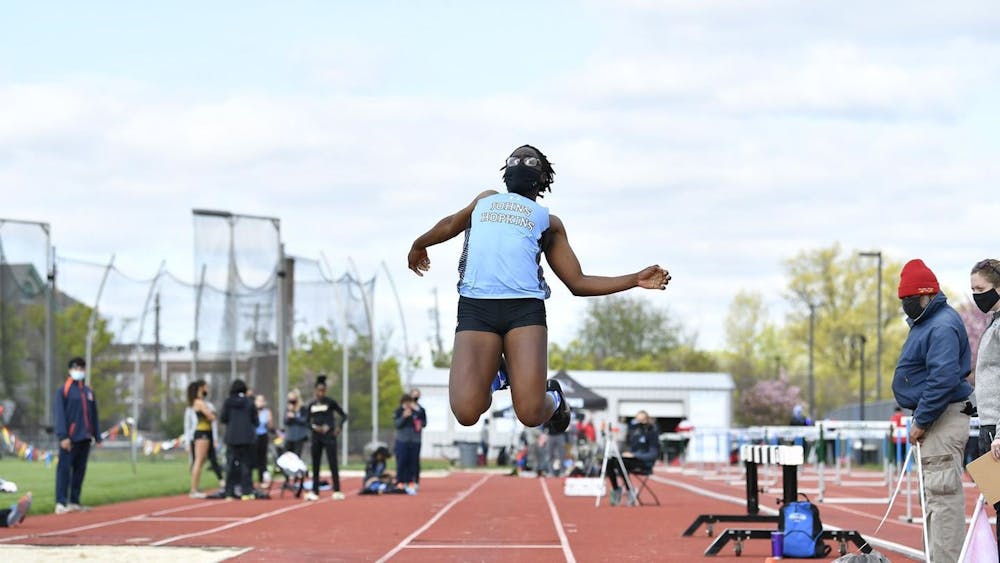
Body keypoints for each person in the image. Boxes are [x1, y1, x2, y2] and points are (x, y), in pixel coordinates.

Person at [407, 144, 670, 436]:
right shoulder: (486, 199)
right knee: (467, 413)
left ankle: (554, 398)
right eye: (514, 159)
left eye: (528, 160)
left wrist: (634, 279)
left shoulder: (548, 222)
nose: (520, 162)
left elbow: (578, 282)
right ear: (505, 172)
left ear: (542, 177)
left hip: (524, 311)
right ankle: (497, 374)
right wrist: (420, 243)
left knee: (531, 414)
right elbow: (450, 224)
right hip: (476, 307)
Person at [892, 259, 974, 563]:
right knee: (934, 500)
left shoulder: (940, 325)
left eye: (911, 299)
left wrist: (922, 421)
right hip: (936, 417)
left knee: (942, 500)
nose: (906, 305)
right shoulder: (928, 322)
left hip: (941, 418)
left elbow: (942, 378)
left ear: (928, 295)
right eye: (903, 300)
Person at [970, 258, 1000, 552]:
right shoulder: (994, 322)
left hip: (997, 432)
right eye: (973, 289)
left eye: (981, 288)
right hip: (988, 424)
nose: (976, 295)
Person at [53, 356, 100, 514]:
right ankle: (60, 501)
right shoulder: (64, 390)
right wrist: (63, 436)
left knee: (80, 470)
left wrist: (97, 435)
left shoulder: (88, 391)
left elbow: (94, 415)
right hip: (70, 438)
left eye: (81, 369)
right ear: (70, 370)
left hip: (85, 437)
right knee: (64, 470)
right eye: (76, 368)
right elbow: (59, 415)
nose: (79, 371)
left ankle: (74, 500)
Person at [304, 375, 348, 501]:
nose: (320, 393)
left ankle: (337, 490)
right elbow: (306, 421)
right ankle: (315, 491)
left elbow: (343, 416)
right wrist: (314, 427)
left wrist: (337, 428)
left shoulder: (330, 402)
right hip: (316, 437)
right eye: (318, 391)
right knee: (315, 464)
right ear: (315, 391)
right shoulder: (311, 405)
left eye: (323, 391)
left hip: (329, 436)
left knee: (333, 463)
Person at [605, 411, 660, 506]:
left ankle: (630, 490)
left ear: (647, 420)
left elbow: (653, 454)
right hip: (631, 460)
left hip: (644, 463)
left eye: (642, 420)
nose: (639, 423)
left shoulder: (652, 433)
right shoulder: (635, 434)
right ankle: (616, 489)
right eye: (637, 420)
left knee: (620, 463)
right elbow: (630, 449)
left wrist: (635, 455)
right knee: (609, 462)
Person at [220, 379, 258, 500]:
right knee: (246, 464)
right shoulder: (249, 402)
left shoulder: (227, 402)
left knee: (230, 465)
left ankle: (229, 492)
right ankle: (246, 492)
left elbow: (223, 418)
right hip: (247, 437)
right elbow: (255, 420)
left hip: (231, 437)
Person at [185, 380, 222, 498]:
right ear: (200, 389)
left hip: (205, 432)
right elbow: (211, 417)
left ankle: (195, 488)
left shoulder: (200, 403)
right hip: (202, 433)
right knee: (199, 461)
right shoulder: (199, 403)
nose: (207, 389)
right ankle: (194, 489)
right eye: (205, 387)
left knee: (200, 461)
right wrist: (211, 414)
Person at [393, 394, 422, 494]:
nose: (408, 405)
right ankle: (400, 481)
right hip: (402, 440)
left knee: (413, 462)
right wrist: (404, 417)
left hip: (414, 440)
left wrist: (415, 417)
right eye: (406, 403)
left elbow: (421, 423)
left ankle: (411, 481)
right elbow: (397, 425)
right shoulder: (398, 411)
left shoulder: (415, 412)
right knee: (401, 461)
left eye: (409, 402)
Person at [253, 394, 274, 485]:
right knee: (254, 457)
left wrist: (270, 420)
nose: (260, 402)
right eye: (258, 400)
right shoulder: (253, 412)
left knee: (262, 457)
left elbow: (271, 427)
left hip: (263, 436)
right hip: (254, 436)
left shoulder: (267, 412)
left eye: (262, 401)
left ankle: (262, 478)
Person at [409, 387, 427, 488]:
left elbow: (425, 423)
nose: (415, 397)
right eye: (414, 395)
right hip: (406, 438)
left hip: (416, 438)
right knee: (406, 460)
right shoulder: (407, 408)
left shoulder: (421, 410)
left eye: (417, 395)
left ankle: (416, 480)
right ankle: (407, 479)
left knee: (415, 460)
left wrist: (420, 424)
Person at [283, 389, 309, 457]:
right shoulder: (288, 408)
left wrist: (294, 416)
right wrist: (289, 414)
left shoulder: (302, 408)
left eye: (293, 399)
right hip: (290, 436)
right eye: (290, 399)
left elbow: (304, 420)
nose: (291, 401)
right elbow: (285, 422)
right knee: (287, 456)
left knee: (296, 457)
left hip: (299, 436)